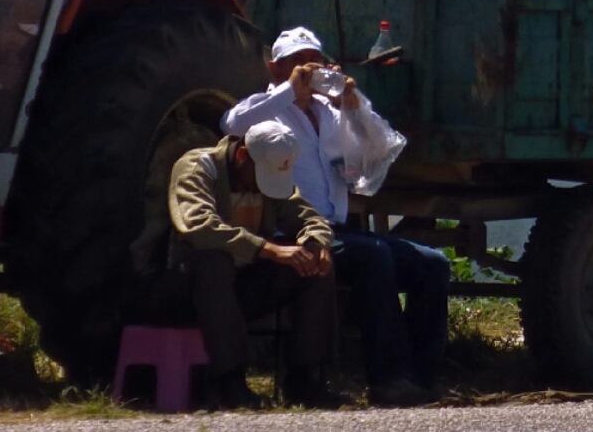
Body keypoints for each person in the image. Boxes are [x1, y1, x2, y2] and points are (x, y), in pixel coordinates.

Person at [222, 26, 449, 407]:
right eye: (297, 62)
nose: (308, 70)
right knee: (374, 258)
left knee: (432, 264)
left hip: (338, 229)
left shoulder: (330, 114)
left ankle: (421, 376)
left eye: (314, 61)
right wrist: (288, 91)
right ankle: (388, 378)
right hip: (294, 231)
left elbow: (380, 148)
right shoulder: (269, 109)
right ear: (276, 68)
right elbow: (231, 123)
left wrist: (352, 103)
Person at [167, 119, 339, 409]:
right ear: (243, 155)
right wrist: (267, 249)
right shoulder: (198, 167)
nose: (263, 186)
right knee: (213, 261)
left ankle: (303, 380)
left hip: (242, 285)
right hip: (189, 288)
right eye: (260, 176)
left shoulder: (271, 180)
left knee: (314, 267)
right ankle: (230, 381)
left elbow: (311, 218)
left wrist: (316, 242)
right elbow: (198, 226)